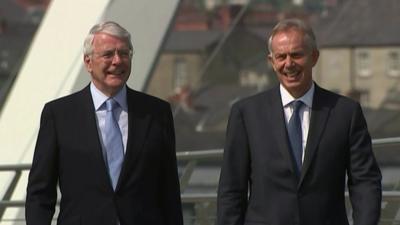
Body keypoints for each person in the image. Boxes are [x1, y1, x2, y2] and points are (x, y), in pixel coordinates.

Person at [217, 18, 382, 225]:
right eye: (281, 57)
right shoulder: (246, 114)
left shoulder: (345, 113)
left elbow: (365, 182)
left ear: (314, 57)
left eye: (296, 55)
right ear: (271, 62)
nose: (288, 64)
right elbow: (231, 191)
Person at [25, 21, 183, 225]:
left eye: (124, 53)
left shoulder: (156, 113)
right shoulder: (59, 115)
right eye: (108, 54)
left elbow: (169, 190)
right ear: (88, 62)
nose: (117, 61)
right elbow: (40, 192)